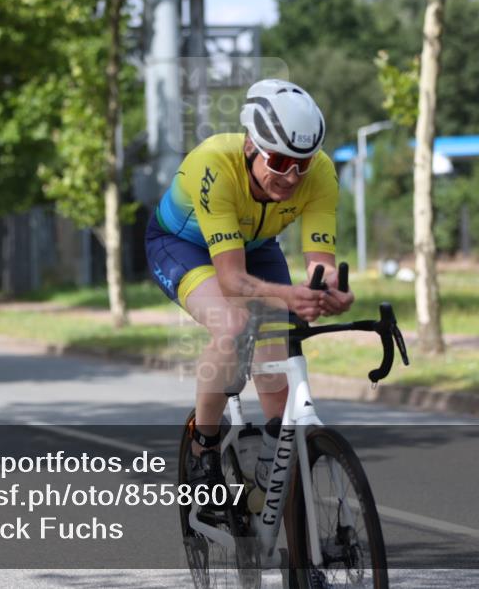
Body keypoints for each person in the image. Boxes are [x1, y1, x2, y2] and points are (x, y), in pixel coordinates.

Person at [144, 79, 354, 491]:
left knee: (276, 373)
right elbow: (232, 280)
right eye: (278, 161)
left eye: (303, 162)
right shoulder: (214, 164)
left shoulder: (321, 173)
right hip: (185, 246)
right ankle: (204, 446)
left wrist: (331, 288)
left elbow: (320, 264)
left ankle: (273, 485)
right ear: (249, 146)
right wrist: (288, 294)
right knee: (234, 324)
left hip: (256, 248)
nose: (292, 176)